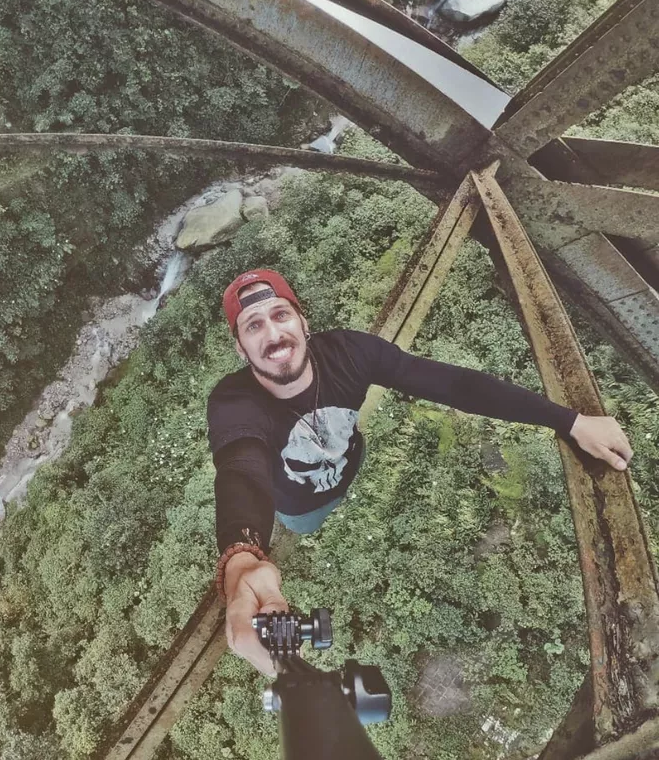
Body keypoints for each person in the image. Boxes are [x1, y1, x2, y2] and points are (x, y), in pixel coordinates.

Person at [207, 269, 633, 676]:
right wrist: (242, 558)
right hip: (299, 505)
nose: (273, 334)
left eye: (280, 315)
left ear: (303, 321)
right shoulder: (233, 401)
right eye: (253, 325)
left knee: (337, 486)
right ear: (241, 350)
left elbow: (455, 386)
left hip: (351, 462)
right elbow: (241, 470)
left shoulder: (351, 353)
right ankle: (308, 523)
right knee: (304, 524)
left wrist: (570, 421)